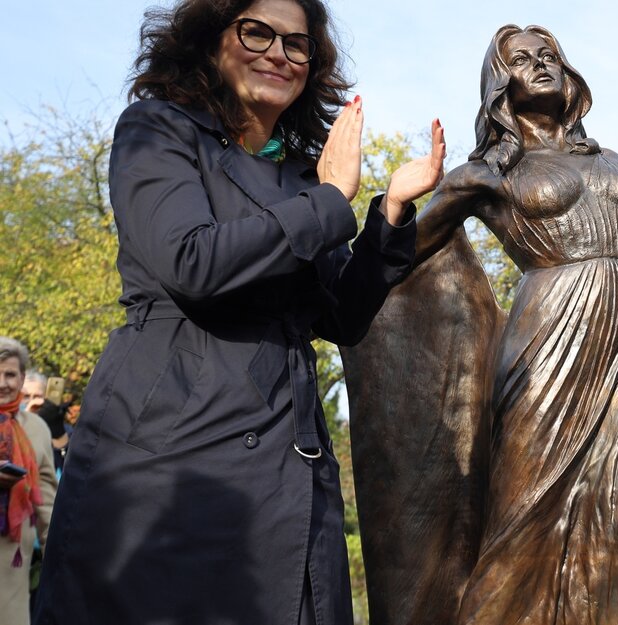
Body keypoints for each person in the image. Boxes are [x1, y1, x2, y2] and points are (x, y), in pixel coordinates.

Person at [32, 0, 444, 622]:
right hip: (172, 456)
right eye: (257, 32)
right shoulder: (157, 130)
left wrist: (389, 215)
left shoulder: (304, 176)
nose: (278, 53)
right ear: (209, 41)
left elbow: (340, 318)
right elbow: (190, 261)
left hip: (291, 459)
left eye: (297, 44)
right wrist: (331, 199)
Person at [350, 24, 618, 625]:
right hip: (546, 344)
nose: (540, 64)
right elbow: (398, 257)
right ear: (499, 84)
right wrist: (397, 203)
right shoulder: (483, 173)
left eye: (550, 56)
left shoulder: (607, 160)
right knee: (522, 524)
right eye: (521, 59)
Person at [0, 338, 57, 625]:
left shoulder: (36, 428)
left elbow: (46, 498)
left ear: (22, 378)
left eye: (10, 374)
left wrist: (55, 555)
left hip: (13, 562)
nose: (3, 383)